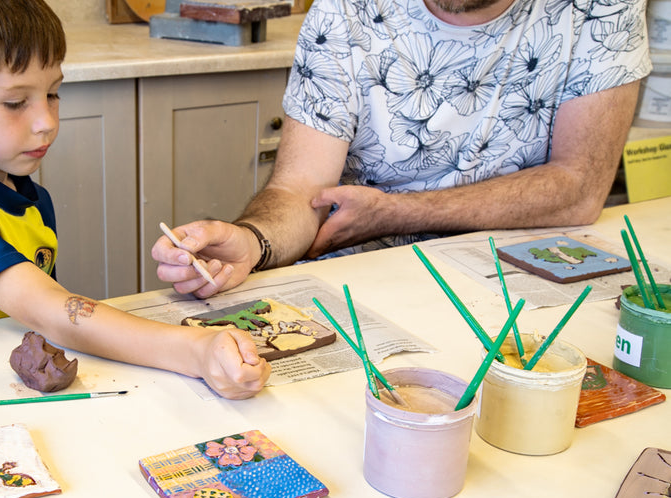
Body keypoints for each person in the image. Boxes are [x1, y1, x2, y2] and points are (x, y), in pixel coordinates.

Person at [0, 0, 270, 399]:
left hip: (6, 388)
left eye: (52, 94)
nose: (46, 121)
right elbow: (52, 310)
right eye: (15, 102)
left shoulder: (30, 197)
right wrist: (195, 350)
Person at [152, 0, 652, 298]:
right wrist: (254, 242)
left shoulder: (600, 9)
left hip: (527, 275)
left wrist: (397, 213)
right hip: (368, 283)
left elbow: (579, 186)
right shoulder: (349, 9)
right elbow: (301, 188)